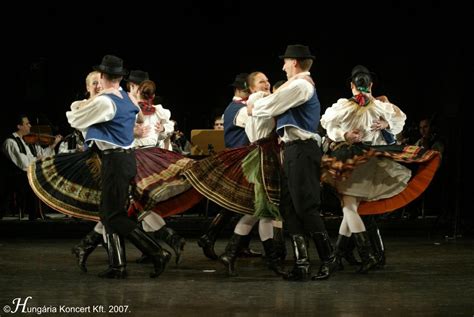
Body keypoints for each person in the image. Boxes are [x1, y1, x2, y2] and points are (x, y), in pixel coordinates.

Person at [320, 64, 440, 273]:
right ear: (370, 84)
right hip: (364, 158)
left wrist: (348, 134)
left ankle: (362, 256)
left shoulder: (361, 106)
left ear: (352, 85)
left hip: (357, 158)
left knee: (349, 207)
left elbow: (327, 122)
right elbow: (398, 121)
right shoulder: (376, 106)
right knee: (352, 208)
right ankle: (339, 255)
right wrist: (348, 134)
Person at [66, 54, 170, 279]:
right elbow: (140, 119)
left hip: (114, 160)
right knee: (108, 213)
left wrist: (91, 100)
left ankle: (157, 252)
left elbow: (74, 119)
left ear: (102, 77)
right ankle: (118, 265)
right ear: (120, 78)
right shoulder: (125, 97)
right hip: (126, 159)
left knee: (113, 216)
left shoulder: (105, 102)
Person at [247, 44, 337, 281]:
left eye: (285, 62)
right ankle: (302, 263)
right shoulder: (295, 85)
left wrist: (255, 104)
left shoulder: (300, 85)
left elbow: (267, 107)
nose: (283, 66)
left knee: (306, 206)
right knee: (289, 208)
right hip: (292, 150)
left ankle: (329, 258)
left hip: (303, 150)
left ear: (295, 62)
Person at [196, 72, 262, 261]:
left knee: (243, 204)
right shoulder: (238, 109)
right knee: (245, 203)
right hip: (241, 159)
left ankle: (234, 244)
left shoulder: (238, 107)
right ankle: (211, 237)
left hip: (244, 158)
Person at [2, 114, 62, 220]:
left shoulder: (30, 141)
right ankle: (36, 213)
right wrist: (37, 160)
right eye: (27, 123)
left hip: (30, 173)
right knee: (37, 179)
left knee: (50, 176)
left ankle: (39, 212)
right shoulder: (10, 142)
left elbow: (43, 155)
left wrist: (53, 145)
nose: (30, 126)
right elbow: (23, 164)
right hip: (16, 176)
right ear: (19, 126)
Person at [59, 71, 100, 154]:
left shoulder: (109, 105)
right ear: (88, 87)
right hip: (92, 155)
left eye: (101, 83)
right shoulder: (79, 105)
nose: (99, 86)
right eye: (94, 83)